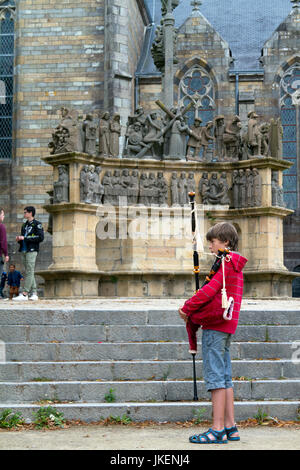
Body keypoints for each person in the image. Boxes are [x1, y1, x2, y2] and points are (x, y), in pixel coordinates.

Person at [178, 222, 247, 444]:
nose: (210, 246)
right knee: (225, 378)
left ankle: (217, 429)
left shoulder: (225, 263)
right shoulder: (235, 263)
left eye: (213, 242)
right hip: (227, 325)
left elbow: (209, 291)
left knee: (216, 377)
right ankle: (230, 427)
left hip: (216, 325)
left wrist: (187, 307)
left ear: (225, 242)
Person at [13, 206, 44, 301]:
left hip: (32, 250)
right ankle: (34, 293)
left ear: (31, 213)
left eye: (25, 212)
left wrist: (25, 238)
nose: (24, 214)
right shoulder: (24, 225)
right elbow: (23, 237)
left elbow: (40, 238)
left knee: (29, 271)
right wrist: (19, 239)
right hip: (23, 250)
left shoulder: (37, 224)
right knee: (29, 271)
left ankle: (25, 293)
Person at [0, 208, 9, 281]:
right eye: (2, 214)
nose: (4, 216)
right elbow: (3, 242)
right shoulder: (1, 226)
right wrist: (6, 254)